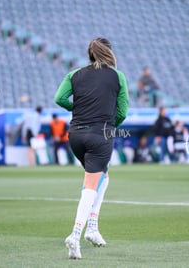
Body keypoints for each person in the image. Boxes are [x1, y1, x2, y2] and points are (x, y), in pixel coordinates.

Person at [54, 37, 129, 259]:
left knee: (103, 178)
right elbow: (122, 112)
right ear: (109, 52)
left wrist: (76, 107)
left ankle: (93, 228)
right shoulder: (117, 76)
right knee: (90, 185)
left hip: (75, 135)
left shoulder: (74, 74)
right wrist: (109, 124)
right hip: (100, 134)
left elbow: (59, 98)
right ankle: (75, 235)